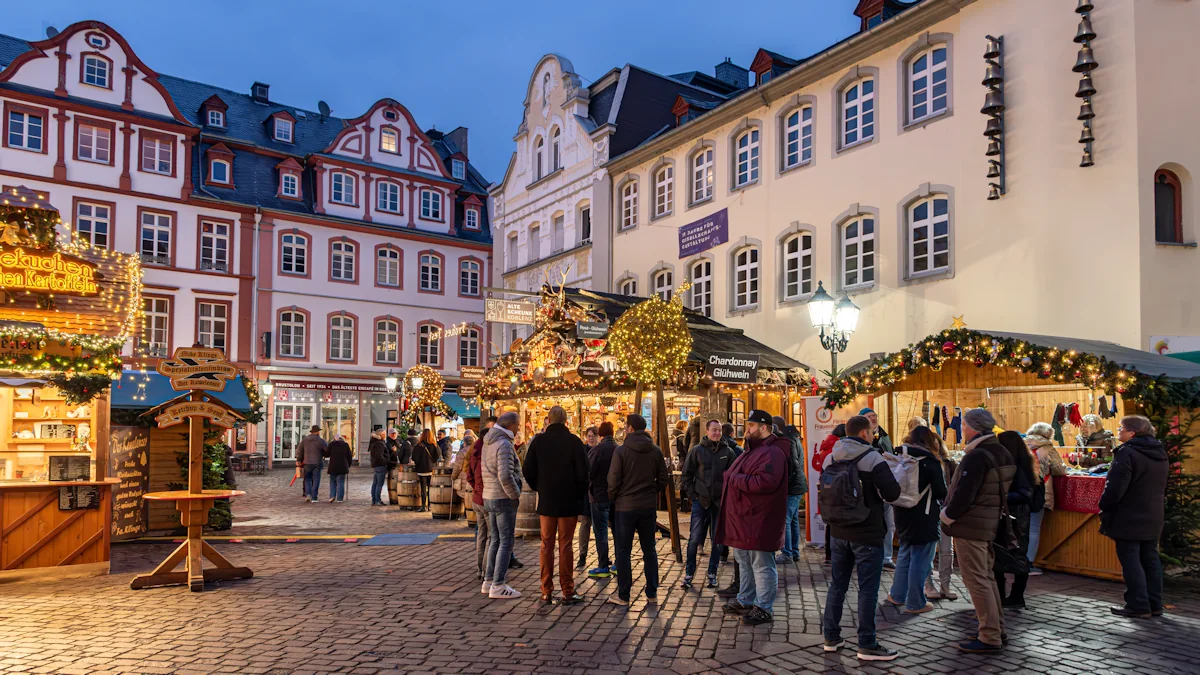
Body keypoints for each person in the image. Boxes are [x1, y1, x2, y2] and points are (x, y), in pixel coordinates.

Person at [821, 415, 902, 661]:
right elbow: (893, 492)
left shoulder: (830, 457)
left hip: (837, 531)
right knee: (867, 590)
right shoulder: (872, 457)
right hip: (867, 532)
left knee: (837, 585)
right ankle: (867, 644)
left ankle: (831, 638)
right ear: (865, 433)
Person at [940, 408, 1015, 654]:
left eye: (964, 426)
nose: (962, 430)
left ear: (973, 427)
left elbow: (965, 493)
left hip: (971, 524)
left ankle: (989, 635)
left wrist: (947, 515)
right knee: (986, 577)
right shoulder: (1001, 451)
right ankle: (996, 628)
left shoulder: (977, 456)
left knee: (976, 580)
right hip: (988, 522)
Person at [714, 410, 790, 625]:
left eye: (751, 425)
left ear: (764, 428)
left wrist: (734, 478)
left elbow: (765, 483)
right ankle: (746, 600)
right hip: (745, 519)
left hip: (759, 519)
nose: (747, 429)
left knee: (762, 564)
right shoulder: (754, 449)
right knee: (744, 561)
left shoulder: (772, 453)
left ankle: (764, 607)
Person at [1100, 415, 1169, 619]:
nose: (1118, 431)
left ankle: (1138, 604)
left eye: (1121, 428)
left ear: (1133, 432)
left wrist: (1105, 505)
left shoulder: (1127, 453)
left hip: (1128, 514)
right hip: (1153, 513)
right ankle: (1154, 603)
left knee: (1131, 560)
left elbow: (1116, 486)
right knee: (1150, 558)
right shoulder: (1159, 451)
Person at [523, 406, 589, 605]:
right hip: (569, 500)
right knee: (566, 545)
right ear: (566, 420)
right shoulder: (574, 442)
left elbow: (527, 469)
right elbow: (584, 473)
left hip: (548, 500)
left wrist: (540, 487)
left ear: (548, 420)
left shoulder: (539, 442)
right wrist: (578, 493)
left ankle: (546, 590)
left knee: (546, 544)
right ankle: (567, 590)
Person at [607, 414, 668, 606]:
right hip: (647, 507)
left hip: (625, 507)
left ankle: (624, 594)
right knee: (649, 549)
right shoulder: (655, 451)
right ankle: (652, 592)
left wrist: (614, 498)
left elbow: (613, 480)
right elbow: (663, 478)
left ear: (631, 428)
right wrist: (651, 492)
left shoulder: (621, 451)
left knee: (623, 551)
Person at [886, 425, 948, 614]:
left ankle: (897, 595)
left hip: (902, 512)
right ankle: (915, 602)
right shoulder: (931, 462)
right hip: (925, 515)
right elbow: (940, 492)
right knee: (921, 560)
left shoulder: (901, 457)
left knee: (905, 554)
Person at [680, 419, 736, 590]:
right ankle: (689, 574)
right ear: (707, 431)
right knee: (694, 539)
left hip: (719, 502)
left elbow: (733, 476)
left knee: (717, 540)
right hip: (700, 500)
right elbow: (686, 475)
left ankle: (712, 573)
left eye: (719, 430)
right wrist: (693, 496)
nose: (717, 433)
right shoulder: (697, 451)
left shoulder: (728, 452)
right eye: (714, 430)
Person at [482, 412, 523, 599]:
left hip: (489, 495)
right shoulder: (504, 444)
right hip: (502, 497)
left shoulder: (487, 441)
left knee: (495, 540)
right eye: (518, 425)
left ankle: (489, 581)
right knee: (506, 541)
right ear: (511, 425)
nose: (519, 428)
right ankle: (498, 584)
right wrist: (515, 495)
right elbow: (505, 475)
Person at [995, 430, 1035, 609]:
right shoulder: (1024, 462)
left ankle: (1014, 596)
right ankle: (1005, 596)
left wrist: (1002, 497)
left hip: (1015, 516)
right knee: (1005, 554)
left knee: (1012, 555)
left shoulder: (1017, 466)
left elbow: (1025, 494)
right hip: (1014, 515)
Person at [1025, 422, 1066, 575]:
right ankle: (1028, 563)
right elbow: (1060, 470)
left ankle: (1017, 560)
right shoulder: (1048, 448)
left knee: (1020, 526)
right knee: (1034, 527)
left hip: (1020, 490)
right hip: (1040, 491)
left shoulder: (1022, 444)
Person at [860, 407, 896, 569]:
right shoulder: (862, 438)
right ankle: (872, 557)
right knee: (875, 524)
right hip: (871, 487)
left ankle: (887, 557)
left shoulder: (883, 434)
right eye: (869, 416)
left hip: (886, 483)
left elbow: (890, 451)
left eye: (874, 415)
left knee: (890, 523)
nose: (873, 418)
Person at [925, 432, 959, 601]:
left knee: (947, 551)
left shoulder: (949, 463)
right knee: (929, 550)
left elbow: (957, 486)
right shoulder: (923, 462)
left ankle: (945, 585)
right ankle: (928, 584)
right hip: (928, 511)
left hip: (945, 510)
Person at [773, 415, 808, 564]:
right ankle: (794, 551)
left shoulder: (788, 440)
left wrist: (785, 482)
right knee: (792, 519)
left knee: (785, 519)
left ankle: (787, 553)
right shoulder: (793, 437)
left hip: (793, 486)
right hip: (798, 484)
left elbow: (792, 462)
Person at [587, 421, 618, 579]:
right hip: (617, 496)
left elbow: (589, 472)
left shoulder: (597, 450)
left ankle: (603, 565)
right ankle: (618, 563)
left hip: (599, 495)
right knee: (617, 530)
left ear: (600, 434)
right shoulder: (620, 449)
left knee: (600, 531)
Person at [467, 417, 496, 579]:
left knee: (481, 535)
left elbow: (469, 476)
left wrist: (476, 489)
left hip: (476, 498)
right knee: (492, 536)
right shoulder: (488, 454)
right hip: (487, 499)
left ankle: (480, 569)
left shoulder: (474, 453)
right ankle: (487, 571)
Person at [814, 424, 847, 564]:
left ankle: (829, 554)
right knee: (837, 524)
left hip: (827, 489)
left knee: (830, 523)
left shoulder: (826, 447)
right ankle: (835, 554)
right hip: (838, 490)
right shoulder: (836, 450)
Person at [577, 426, 600, 570]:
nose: (591, 438)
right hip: (586, 492)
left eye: (593, 436)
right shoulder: (583, 451)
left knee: (599, 526)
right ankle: (582, 554)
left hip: (598, 492)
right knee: (585, 523)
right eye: (589, 436)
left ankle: (602, 556)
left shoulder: (600, 450)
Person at [296, 425, 328, 503]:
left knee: (307, 479)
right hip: (317, 462)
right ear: (317, 432)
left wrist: (299, 459)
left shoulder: (304, 440)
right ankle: (314, 497)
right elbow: (327, 451)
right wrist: (323, 454)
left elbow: (299, 450)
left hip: (307, 462)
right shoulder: (321, 441)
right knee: (316, 479)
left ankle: (308, 494)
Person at [412, 430, 440, 512]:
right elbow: (438, 455)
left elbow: (414, 457)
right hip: (431, 469)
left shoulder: (419, 445)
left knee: (423, 488)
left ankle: (423, 506)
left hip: (422, 469)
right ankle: (430, 506)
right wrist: (433, 462)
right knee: (430, 488)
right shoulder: (434, 445)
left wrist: (419, 463)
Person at [326, 434, 352, 503]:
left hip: (333, 466)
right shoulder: (345, 445)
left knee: (332, 481)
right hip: (343, 466)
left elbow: (327, 454)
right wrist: (348, 465)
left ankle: (332, 496)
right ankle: (340, 499)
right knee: (340, 482)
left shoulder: (331, 445)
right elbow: (349, 456)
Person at [366, 430, 390, 506]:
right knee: (379, 483)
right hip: (380, 465)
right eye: (384, 434)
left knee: (375, 483)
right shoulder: (379, 443)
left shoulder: (374, 442)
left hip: (376, 465)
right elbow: (379, 455)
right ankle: (377, 500)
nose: (385, 435)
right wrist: (385, 461)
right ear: (380, 435)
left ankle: (374, 499)